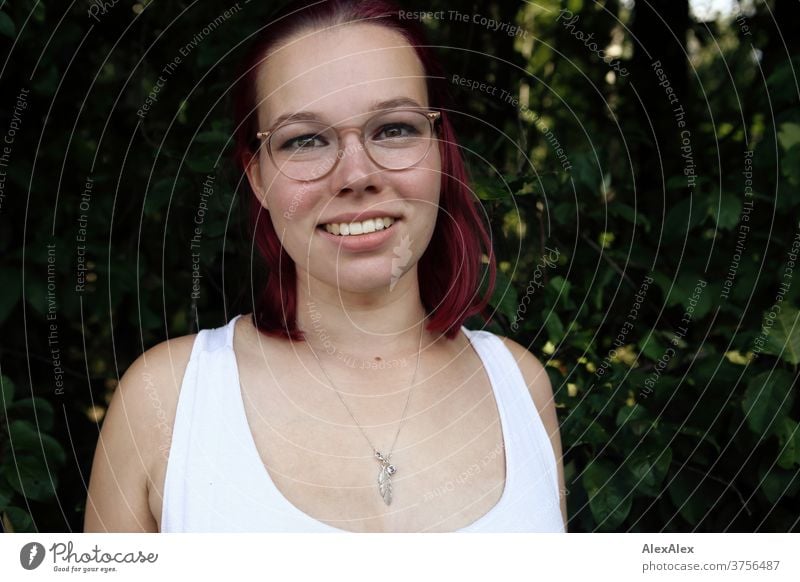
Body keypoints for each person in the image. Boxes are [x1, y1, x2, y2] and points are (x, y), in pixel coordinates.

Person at [84, 0, 567, 533]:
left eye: (394, 129)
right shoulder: (165, 402)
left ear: (440, 152)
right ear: (258, 177)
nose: (356, 174)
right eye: (305, 140)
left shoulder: (520, 388)